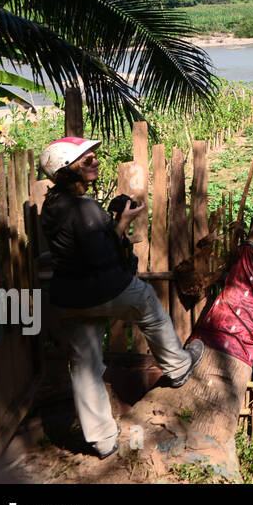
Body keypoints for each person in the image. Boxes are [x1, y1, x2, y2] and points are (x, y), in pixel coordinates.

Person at [38, 136, 204, 459]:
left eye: (93, 157)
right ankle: (179, 365)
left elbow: (80, 250)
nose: (95, 161)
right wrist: (121, 225)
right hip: (102, 288)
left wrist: (114, 224)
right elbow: (102, 258)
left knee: (85, 365)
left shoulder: (51, 207)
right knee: (146, 303)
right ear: (66, 171)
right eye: (86, 160)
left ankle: (101, 440)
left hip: (68, 299)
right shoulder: (84, 209)